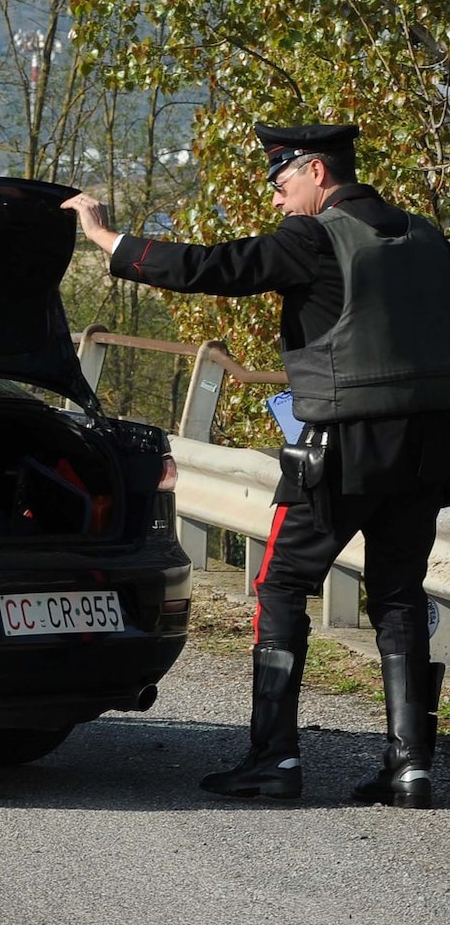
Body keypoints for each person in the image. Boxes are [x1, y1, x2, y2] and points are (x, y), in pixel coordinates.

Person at [65, 123, 450, 809]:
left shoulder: (315, 237)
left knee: (281, 584)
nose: (277, 198)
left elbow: (213, 268)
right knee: (398, 594)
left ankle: (274, 758)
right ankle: (411, 766)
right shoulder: (426, 236)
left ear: (316, 172)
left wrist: (108, 240)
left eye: (281, 181)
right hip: (430, 448)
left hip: (342, 446)